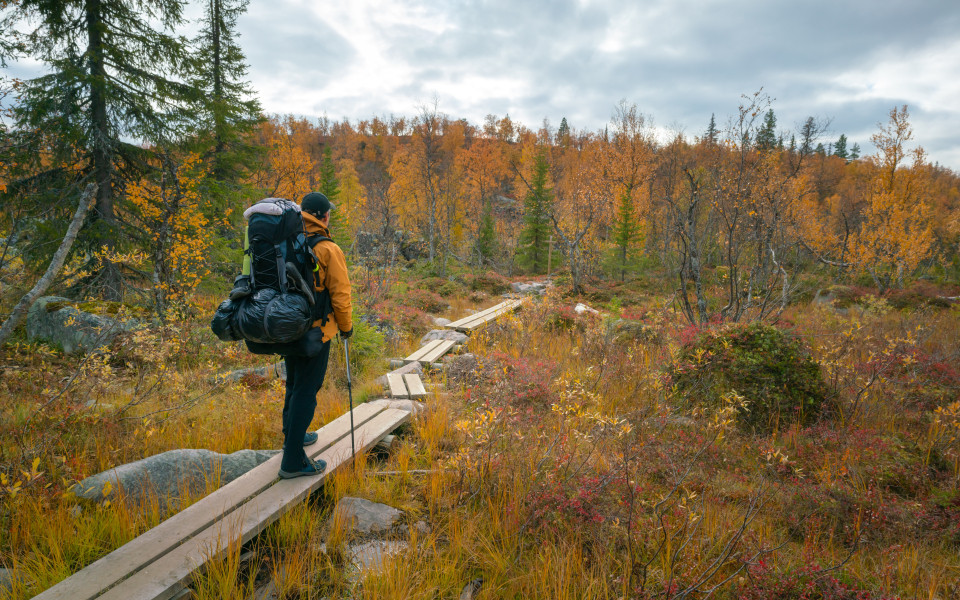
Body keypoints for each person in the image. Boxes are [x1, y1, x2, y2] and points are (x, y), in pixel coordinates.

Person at [278, 191, 353, 479]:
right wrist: (346, 327)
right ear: (323, 216)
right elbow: (340, 295)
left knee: (294, 384)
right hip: (316, 333)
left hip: (287, 327)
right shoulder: (328, 249)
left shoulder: (288, 240)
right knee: (307, 392)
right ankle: (293, 461)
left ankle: (291, 438)